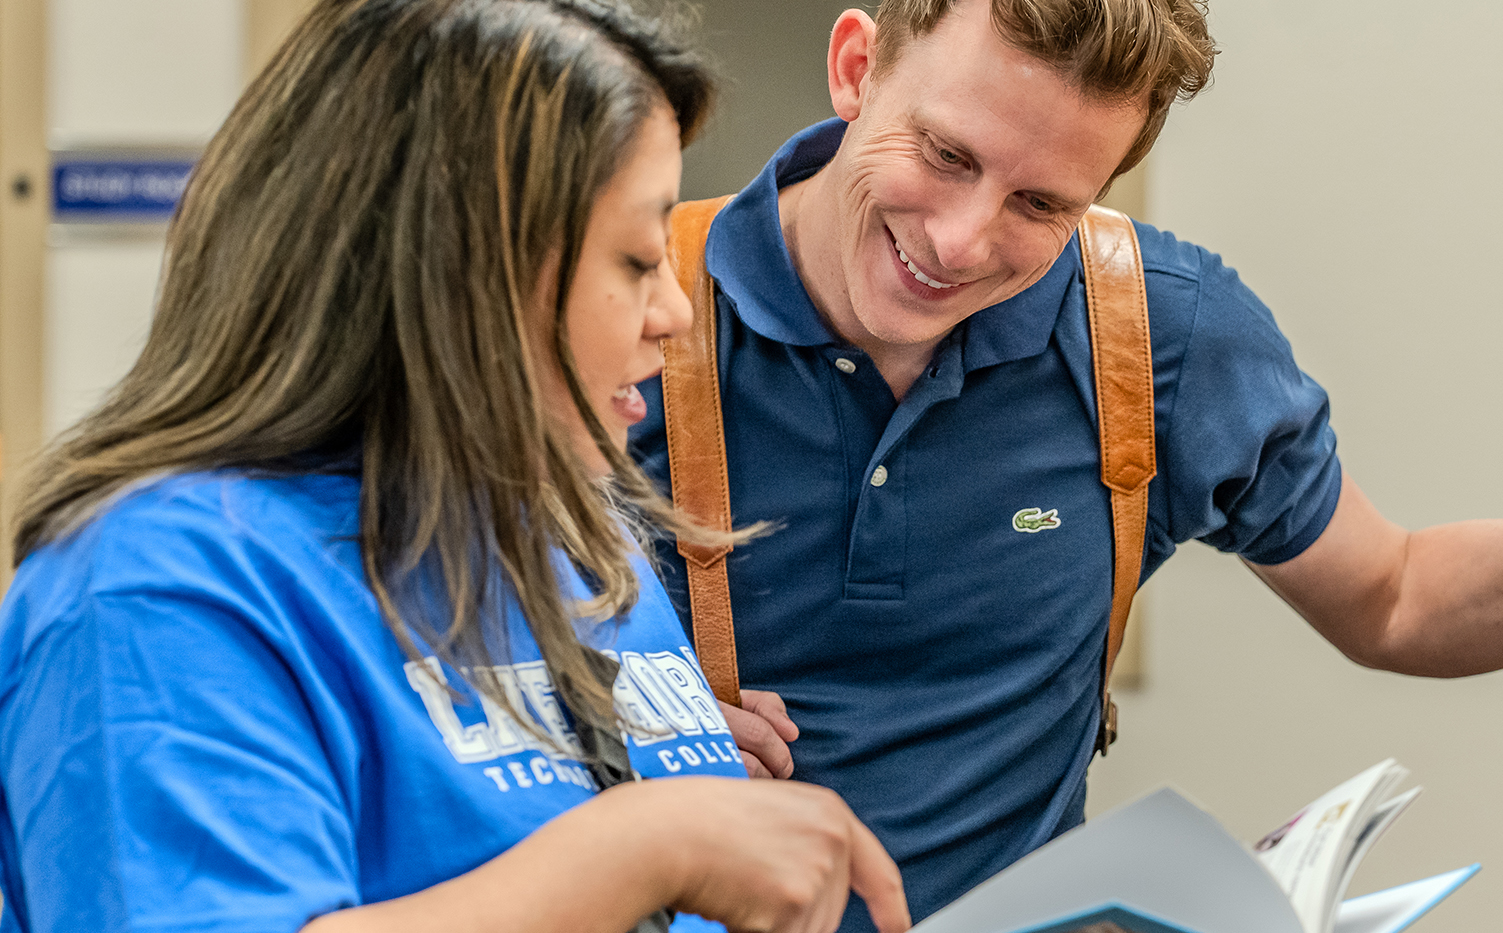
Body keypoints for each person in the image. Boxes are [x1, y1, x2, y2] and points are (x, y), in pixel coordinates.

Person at [625, 0, 1503, 929]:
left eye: (1041, 203)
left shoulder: (1160, 335)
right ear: (854, 69)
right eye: (944, 153)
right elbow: (443, 670)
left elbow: (1393, 595)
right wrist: (616, 735)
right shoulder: (620, 309)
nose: (959, 240)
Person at [0, 2, 910, 932]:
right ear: (454, 271)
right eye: (639, 259)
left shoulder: (569, 535)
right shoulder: (156, 593)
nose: (674, 313)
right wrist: (647, 844)